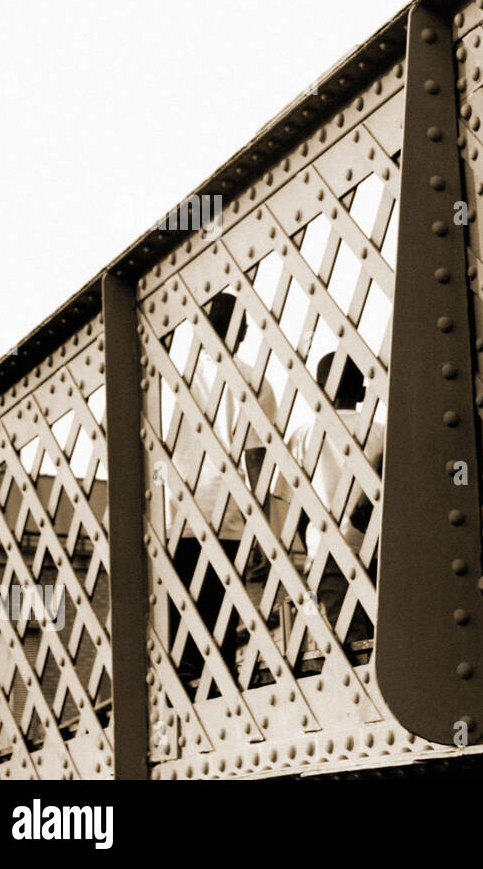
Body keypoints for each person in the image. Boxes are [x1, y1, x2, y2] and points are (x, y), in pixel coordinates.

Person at [166, 292, 278, 689]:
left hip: (173, 513)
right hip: (226, 514)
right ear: (242, 330)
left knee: (179, 624)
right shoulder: (253, 380)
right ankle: (219, 692)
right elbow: (256, 459)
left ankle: (183, 686)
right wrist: (264, 530)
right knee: (220, 623)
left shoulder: (169, 376)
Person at [281, 352, 384, 647]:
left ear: (319, 388)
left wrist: (309, 551)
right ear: (362, 393)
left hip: (327, 552)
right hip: (379, 552)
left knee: (350, 640)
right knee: (384, 634)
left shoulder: (303, 436)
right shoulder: (382, 433)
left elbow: (295, 508)